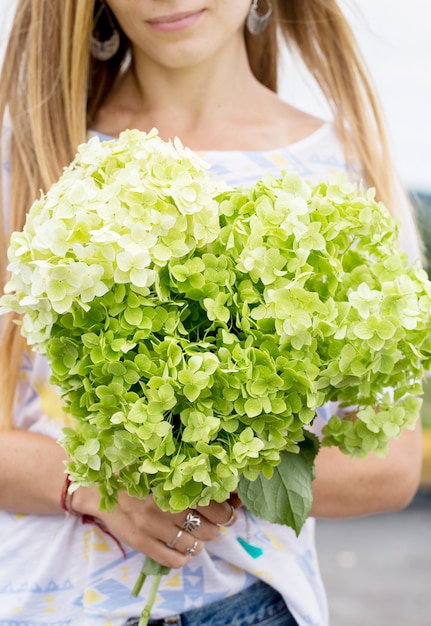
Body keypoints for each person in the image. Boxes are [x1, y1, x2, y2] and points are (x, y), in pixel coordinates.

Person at [0, 1, 424, 625]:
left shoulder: (342, 166)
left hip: (240, 608)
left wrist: (210, 462)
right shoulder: (29, 152)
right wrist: (97, 486)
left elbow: (392, 464)